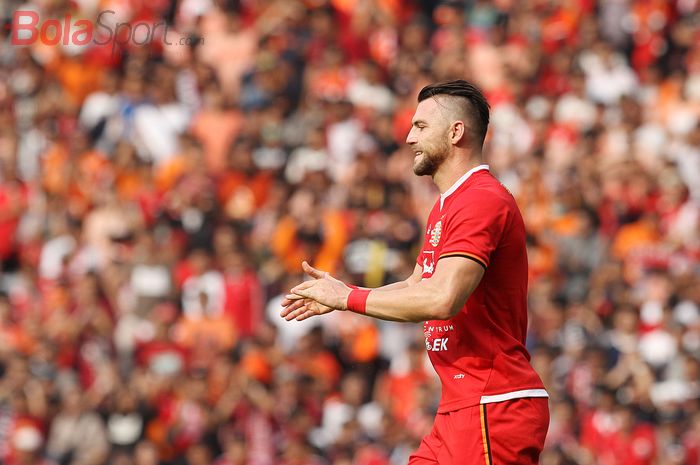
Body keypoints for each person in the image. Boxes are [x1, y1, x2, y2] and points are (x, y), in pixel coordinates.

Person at [280, 80, 550, 465]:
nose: (408, 138)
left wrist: (348, 298)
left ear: (456, 132)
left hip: (493, 403)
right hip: (461, 405)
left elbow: (441, 299)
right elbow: (417, 285)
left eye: (421, 126)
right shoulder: (448, 204)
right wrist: (344, 294)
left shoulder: (480, 200)